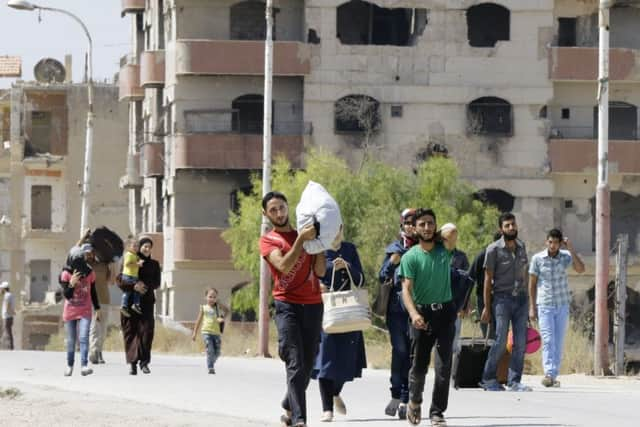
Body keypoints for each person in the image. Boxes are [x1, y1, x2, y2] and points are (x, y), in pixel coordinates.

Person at [259, 191, 326, 427]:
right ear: (266, 214)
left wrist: (320, 244)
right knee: (295, 362)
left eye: (282, 207)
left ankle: (289, 402)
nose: (279, 213)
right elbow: (284, 267)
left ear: (289, 207)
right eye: (273, 210)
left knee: (308, 365)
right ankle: (299, 420)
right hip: (286, 305)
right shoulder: (269, 240)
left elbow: (320, 271)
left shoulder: (305, 233)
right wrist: (300, 242)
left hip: (313, 304)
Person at [399, 208, 457, 427]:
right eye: (422, 224)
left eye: (430, 223)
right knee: (420, 366)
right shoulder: (410, 256)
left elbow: (452, 230)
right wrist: (413, 314)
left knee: (443, 368)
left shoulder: (444, 250)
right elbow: (406, 289)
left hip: (445, 313)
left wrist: (437, 233)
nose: (426, 228)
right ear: (414, 228)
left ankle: (437, 412)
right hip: (422, 314)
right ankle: (414, 401)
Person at [312, 240, 367, 423]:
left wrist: (348, 266)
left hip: (348, 310)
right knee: (326, 361)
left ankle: (335, 392)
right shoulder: (316, 248)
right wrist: (318, 286)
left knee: (346, 361)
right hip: (325, 309)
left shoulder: (350, 249)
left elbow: (360, 280)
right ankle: (327, 409)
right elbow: (308, 275)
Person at [480, 213, 531, 392]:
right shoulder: (493, 249)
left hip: (521, 300)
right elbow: (487, 280)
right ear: (501, 229)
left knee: (520, 342)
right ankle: (488, 379)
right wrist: (486, 307)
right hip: (502, 300)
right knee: (500, 340)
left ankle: (514, 381)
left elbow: (525, 274)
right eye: (507, 225)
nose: (511, 228)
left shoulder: (522, 246)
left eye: (513, 225)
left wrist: (529, 304)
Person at [529, 229, 584, 387]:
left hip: (562, 304)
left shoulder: (565, 257)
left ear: (560, 244)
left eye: (556, 243)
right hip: (545, 304)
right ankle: (549, 373)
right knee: (548, 339)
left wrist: (571, 249)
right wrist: (532, 307)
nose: (552, 246)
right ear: (546, 242)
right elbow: (532, 284)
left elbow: (580, 269)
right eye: (550, 242)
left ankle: (553, 375)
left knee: (558, 341)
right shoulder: (537, 259)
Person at [378, 208, 417, 420]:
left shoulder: (423, 249)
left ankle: (406, 399)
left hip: (418, 310)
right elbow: (381, 276)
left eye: (414, 222)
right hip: (396, 310)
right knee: (400, 351)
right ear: (402, 224)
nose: (411, 226)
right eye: (408, 222)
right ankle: (396, 395)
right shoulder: (394, 248)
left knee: (413, 355)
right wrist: (391, 262)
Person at [118, 237, 161, 375]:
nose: (147, 249)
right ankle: (132, 363)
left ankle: (144, 363)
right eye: (144, 246)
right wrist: (133, 285)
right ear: (139, 247)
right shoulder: (129, 259)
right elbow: (119, 279)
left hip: (147, 303)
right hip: (130, 303)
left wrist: (145, 286)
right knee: (131, 333)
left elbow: (157, 283)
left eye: (149, 247)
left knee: (146, 332)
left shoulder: (154, 264)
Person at [59, 246, 100, 376]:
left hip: (85, 310)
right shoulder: (65, 274)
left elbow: (93, 292)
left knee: (83, 337)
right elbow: (67, 295)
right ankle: (69, 365)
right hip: (70, 310)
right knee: (71, 340)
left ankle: (84, 365)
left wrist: (98, 308)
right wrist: (71, 283)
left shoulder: (90, 273)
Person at [467, 232, 502, 339]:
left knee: (500, 332)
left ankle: (500, 354)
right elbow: (470, 279)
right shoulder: (482, 256)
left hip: (500, 298)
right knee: (488, 332)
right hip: (483, 298)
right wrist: (465, 304)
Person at [191, 287, 229, 374]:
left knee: (217, 352)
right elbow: (198, 321)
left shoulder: (218, 307)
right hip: (206, 332)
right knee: (210, 349)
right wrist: (194, 333)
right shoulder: (203, 308)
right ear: (206, 297)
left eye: (214, 297)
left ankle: (211, 362)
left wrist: (222, 318)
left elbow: (227, 311)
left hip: (216, 333)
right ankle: (210, 367)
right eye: (210, 296)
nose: (212, 299)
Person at [120, 238, 144, 317]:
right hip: (128, 276)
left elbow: (137, 261)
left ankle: (136, 304)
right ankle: (124, 306)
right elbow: (127, 264)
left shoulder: (135, 255)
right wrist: (137, 264)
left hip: (134, 276)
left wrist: (139, 261)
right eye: (134, 246)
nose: (136, 248)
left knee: (137, 291)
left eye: (137, 246)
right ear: (129, 247)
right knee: (127, 291)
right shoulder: (128, 254)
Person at [1, 281, 15, 350]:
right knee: (8, 331)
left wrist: (7, 312)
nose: (1, 290)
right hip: (9, 316)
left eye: (1, 288)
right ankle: (10, 347)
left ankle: (9, 347)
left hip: (7, 317)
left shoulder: (7, 295)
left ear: (4, 288)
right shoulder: (9, 295)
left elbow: (7, 305)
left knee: (7, 332)